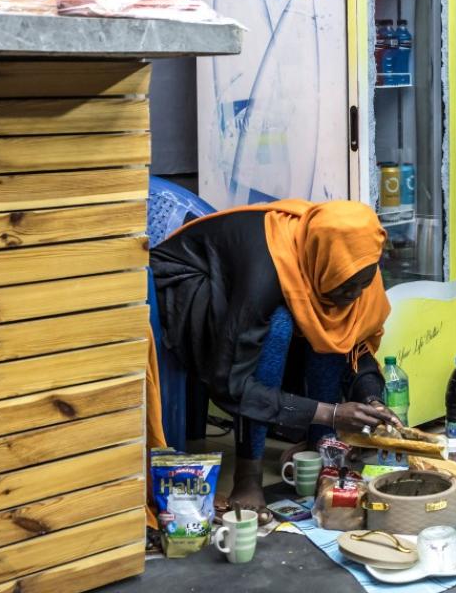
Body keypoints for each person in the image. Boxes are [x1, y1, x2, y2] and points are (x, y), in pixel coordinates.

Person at [150, 199, 400, 518]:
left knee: (331, 321)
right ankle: (248, 473)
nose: (355, 294)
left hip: (251, 300)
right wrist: (331, 413)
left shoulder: (354, 267)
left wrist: (372, 399)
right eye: (347, 285)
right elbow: (234, 384)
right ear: (324, 262)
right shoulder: (265, 272)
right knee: (280, 325)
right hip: (189, 283)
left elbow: (354, 343)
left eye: (362, 284)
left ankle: (322, 452)